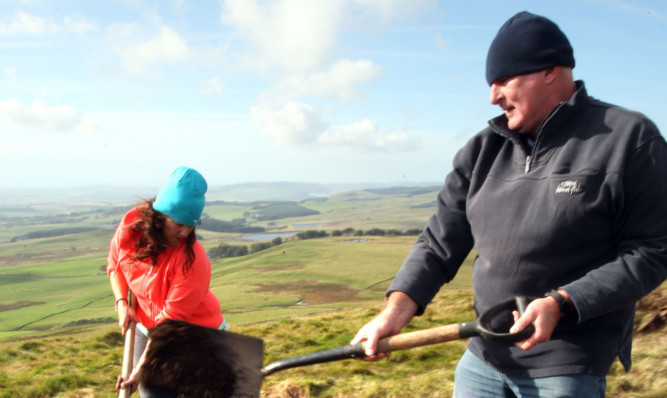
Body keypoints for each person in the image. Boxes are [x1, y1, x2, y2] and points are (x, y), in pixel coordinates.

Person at [351, 11, 666, 397]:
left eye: (503, 80)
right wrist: (392, 315)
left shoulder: (628, 139)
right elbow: (438, 245)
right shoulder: (481, 150)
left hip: (567, 366)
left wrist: (562, 302)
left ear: (551, 71)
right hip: (483, 360)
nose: (492, 96)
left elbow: (652, 251)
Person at [107, 166, 225, 397]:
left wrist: (141, 368)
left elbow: (172, 319)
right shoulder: (131, 231)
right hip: (147, 329)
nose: (184, 232)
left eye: (191, 225)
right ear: (160, 215)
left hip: (197, 335)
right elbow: (115, 265)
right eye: (178, 223)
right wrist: (122, 303)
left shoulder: (193, 258)